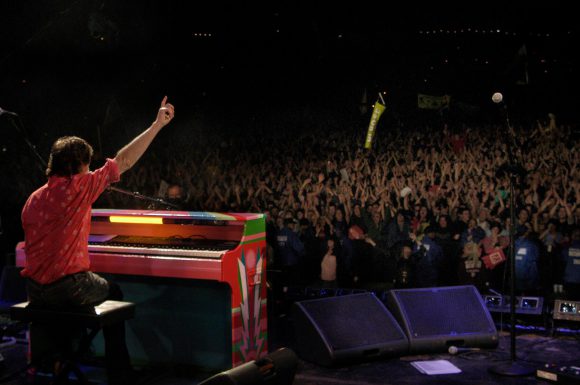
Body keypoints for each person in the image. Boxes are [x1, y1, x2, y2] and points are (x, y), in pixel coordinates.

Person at [20, 96, 175, 382]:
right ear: (78, 165)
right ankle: (120, 373)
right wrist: (156, 125)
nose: (91, 171)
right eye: (88, 165)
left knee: (65, 303)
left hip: (35, 290)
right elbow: (124, 160)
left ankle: (58, 359)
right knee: (113, 292)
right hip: (66, 289)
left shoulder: (33, 198)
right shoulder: (78, 188)